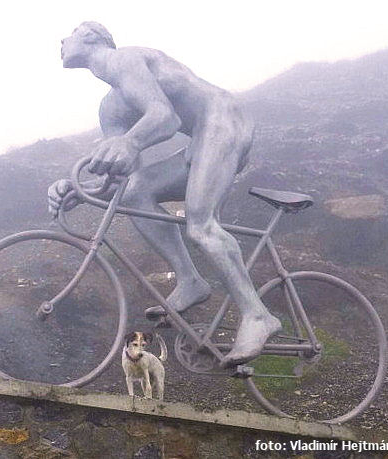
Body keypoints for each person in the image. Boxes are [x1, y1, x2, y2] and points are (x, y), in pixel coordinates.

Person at [48, 22, 280, 367]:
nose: (61, 41)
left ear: (90, 38)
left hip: (222, 121)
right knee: (136, 192)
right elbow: (121, 176)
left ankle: (258, 315)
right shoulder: (110, 107)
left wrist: (128, 142)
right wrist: (77, 189)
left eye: (70, 33)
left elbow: (164, 118)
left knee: (201, 225)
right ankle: (190, 280)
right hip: (198, 140)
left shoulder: (124, 60)